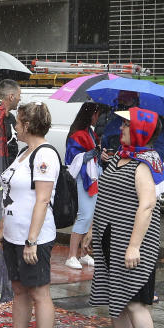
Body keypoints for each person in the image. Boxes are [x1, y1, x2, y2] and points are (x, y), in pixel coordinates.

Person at [85, 107, 164, 328]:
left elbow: (146, 206)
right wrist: (92, 231)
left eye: (128, 126)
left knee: (136, 303)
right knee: (115, 299)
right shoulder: (120, 156)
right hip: (110, 238)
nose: (122, 129)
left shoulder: (145, 163)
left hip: (133, 244)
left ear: (141, 130)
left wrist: (134, 246)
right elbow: (104, 196)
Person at [0, 102, 58, 328]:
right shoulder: (22, 153)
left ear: (27, 125)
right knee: (19, 290)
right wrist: (3, 228)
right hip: (13, 236)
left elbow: (42, 199)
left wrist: (32, 241)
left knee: (39, 293)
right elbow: (13, 195)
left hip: (34, 238)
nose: (15, 126)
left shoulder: (44, 155)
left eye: (18, 122)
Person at [65, 102, 101, 269]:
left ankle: (83, 253)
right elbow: (72, 158)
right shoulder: (79, 134)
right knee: (85, 216)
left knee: (90, 216)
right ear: (91, 114)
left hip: (92, 175)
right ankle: (72, 255)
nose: (98, 117)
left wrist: (99, 154)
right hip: (84, 177)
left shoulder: (89, 132)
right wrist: (93, 153)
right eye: (97, 114)